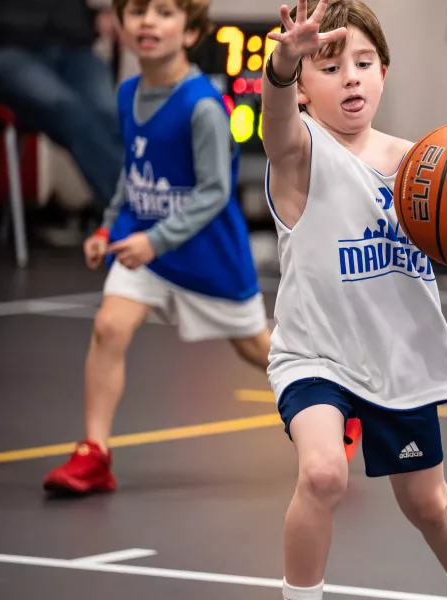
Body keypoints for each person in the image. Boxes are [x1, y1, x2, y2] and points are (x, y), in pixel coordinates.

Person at [260, 1, 447, 598]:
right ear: (303, 91)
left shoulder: (422, 166)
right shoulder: (300, 153)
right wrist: (281, 66)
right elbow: (275, 127)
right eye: (329, 66)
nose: (350, 76)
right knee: (322, 474)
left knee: (429, 505)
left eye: (364, 62)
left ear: (384, 74)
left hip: (399, 361)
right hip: (317, 356)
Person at [40, 0, 288, 496]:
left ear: (190, 32)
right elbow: (133, 178)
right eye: (136, 12)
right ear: (122, 27)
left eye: (165, 13)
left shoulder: (201, 106)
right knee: (109, 326)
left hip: (205, 253)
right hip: (146, 241)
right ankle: (94, 453)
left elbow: (216, 192)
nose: (148, 22)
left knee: (257, 348)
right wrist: (107, 230)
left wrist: (154, 242)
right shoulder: (129, 92)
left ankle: (333, 405)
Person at [0, 0, 123, 220]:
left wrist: (96, 17)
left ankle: (149, 213)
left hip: (73, 45)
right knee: (71, 112)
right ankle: (143, 217)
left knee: (111, 114)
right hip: (4, 46)